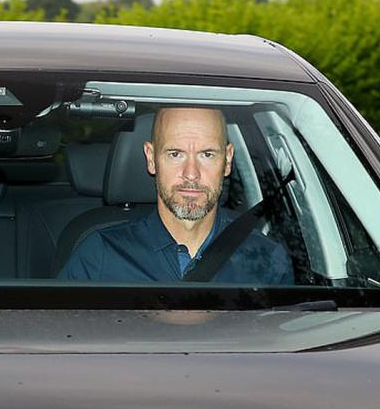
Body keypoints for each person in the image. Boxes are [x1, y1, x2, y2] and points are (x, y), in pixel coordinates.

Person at [58, 107, 294, 285]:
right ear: (151, 158)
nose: (191, 174)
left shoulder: (267, 260)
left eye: (207, 154)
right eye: (175, 154)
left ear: (228, 160)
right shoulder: (100, 254)